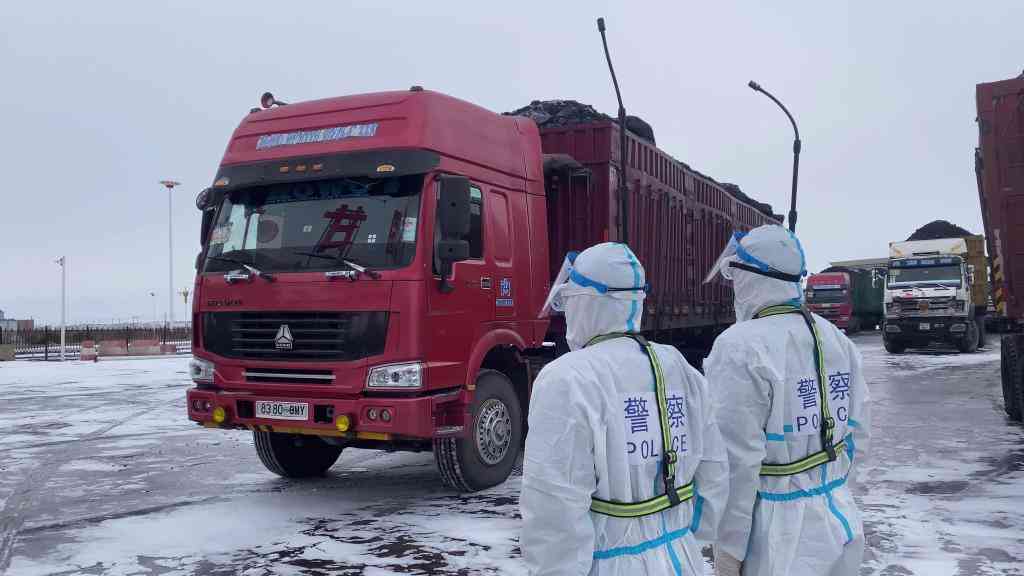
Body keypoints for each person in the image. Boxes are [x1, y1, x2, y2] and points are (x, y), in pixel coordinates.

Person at [520, 242, 729, 575]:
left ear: (586, 304)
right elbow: (714, 472)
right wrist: (679, 533)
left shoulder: (566, 379)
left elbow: (553, 510)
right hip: (680, 558)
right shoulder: (679, 367)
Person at [702, 224, 871, 576]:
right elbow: (857, 435)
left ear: (753, 279)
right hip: (839, 518)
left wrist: (729, 548)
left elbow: (736, 462)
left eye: (737, 279)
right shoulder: (836, 340)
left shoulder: (740, 347)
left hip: (777, 536)